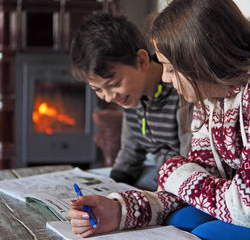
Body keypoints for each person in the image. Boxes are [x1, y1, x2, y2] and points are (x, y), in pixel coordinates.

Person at [68, 0, 250, 239]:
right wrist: (120, 211)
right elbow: (200, 174)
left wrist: (171, 171)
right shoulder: (211, 92)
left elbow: (247, 209)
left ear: (201, 59)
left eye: (170, 68)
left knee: (209, 234)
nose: (165, 77)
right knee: (182, 219)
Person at [70, 13, 191, 191]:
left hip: (181, 178)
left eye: (115, 84)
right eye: (98, 89)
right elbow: (130, 151)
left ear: (141, 61)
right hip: (159, 172)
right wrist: (112, 187)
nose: (109, 97)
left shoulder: (180, 92)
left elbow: (190, 159)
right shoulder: (133, 98)